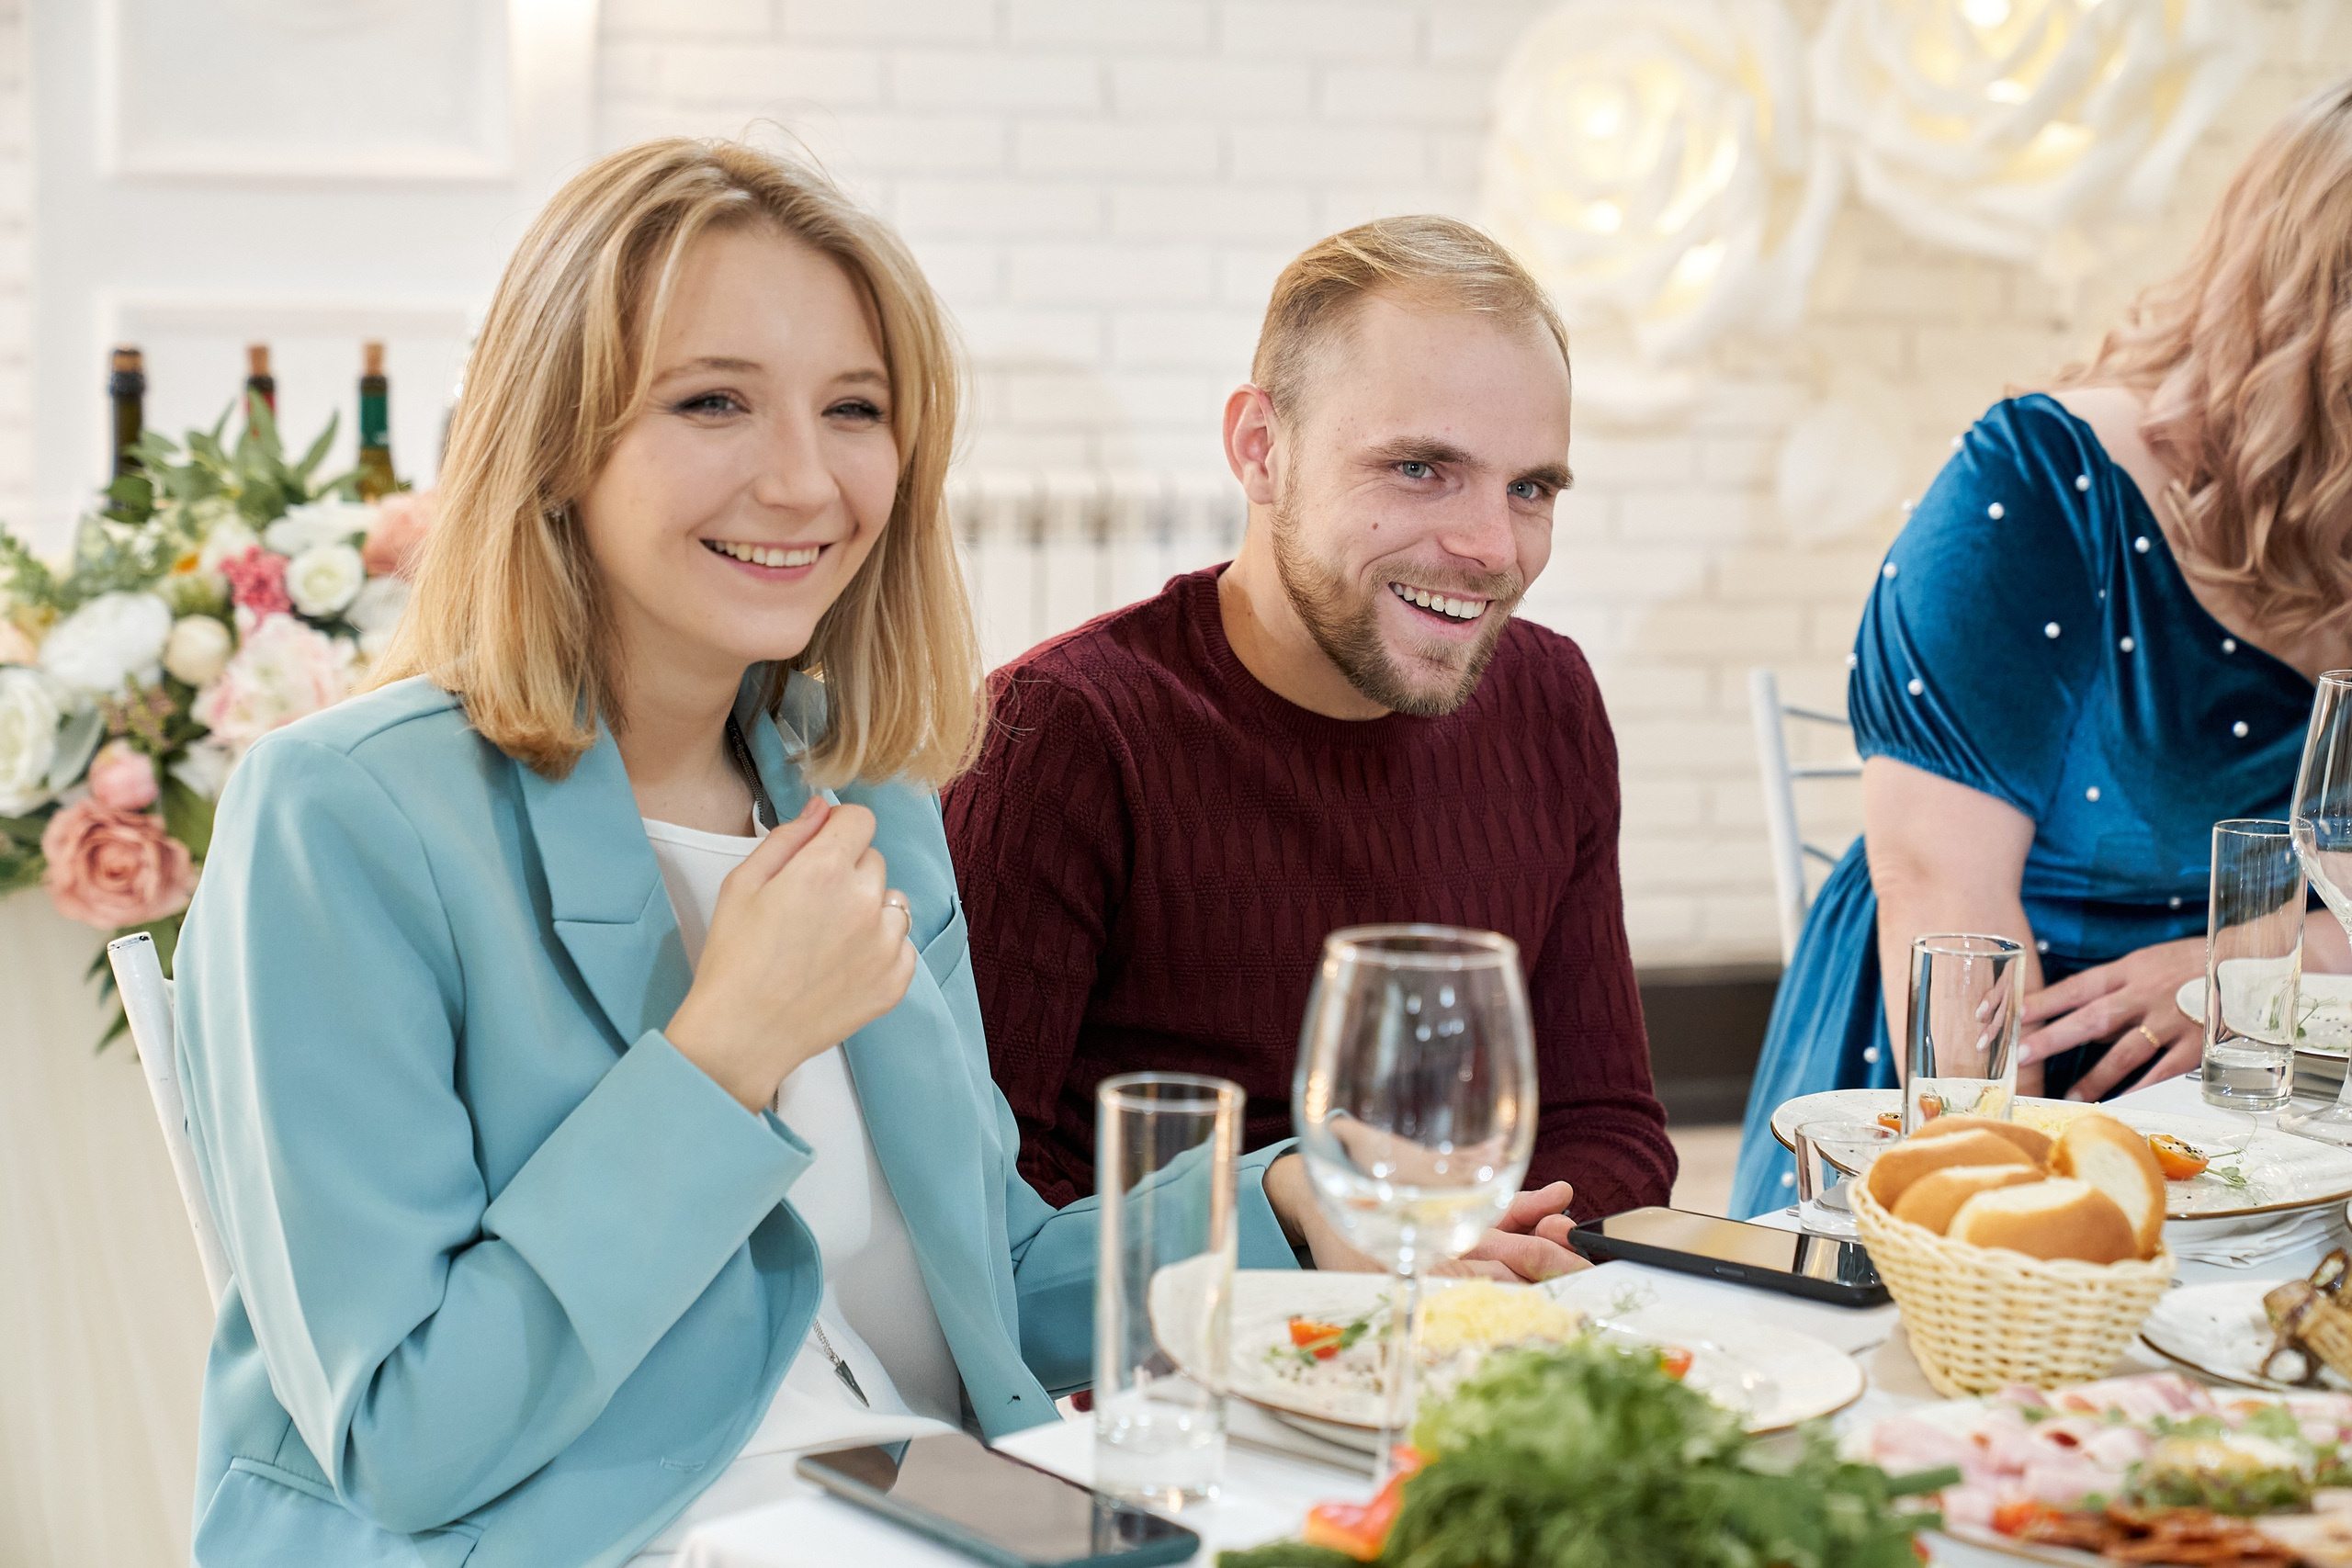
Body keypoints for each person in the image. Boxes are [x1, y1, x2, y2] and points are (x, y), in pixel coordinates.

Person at [173, 144, 1581, 1568]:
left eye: (855, 408)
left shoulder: (863, 797)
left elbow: (993, 1277)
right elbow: (408, 1437)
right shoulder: (343, 816)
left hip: (927, 1503)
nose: (804, 478)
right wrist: (726, 1049)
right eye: (713, 399)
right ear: (555, 438)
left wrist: (1281, 1195)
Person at [944, 216, 1677, 1229]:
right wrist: (1356, 1260)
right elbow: (982, 1202)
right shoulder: (1060, 733)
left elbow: (1607, 1127)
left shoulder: (1548, 699)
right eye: (1419, 468)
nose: (1490, 546)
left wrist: (1467, 1261)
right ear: (1261, 451)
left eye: (1530, 488)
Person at [1730, 83, 2352, 1218]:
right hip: (1997, 1086)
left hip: (2282, 1093)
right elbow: (1942, 903)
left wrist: (2263, 968)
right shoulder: (2040, 493)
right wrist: (2008, 1224)